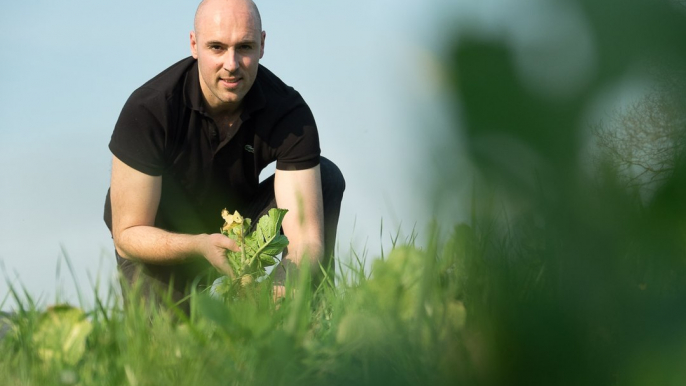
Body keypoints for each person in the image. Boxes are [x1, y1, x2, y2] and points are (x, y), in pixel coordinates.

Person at [103, 0, 345, 312]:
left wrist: (282, 289)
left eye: (244, 46)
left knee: (325, 178)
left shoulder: (290, 113)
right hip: (164, 242)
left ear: (262, 45)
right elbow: (127, 234)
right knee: (169, 353)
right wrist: (200, 246)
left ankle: (305, 319)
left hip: (238, 229)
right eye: (216, 47)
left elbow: (306, 241)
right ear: (194, 45)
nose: (231, 64)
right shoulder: (148, 111)